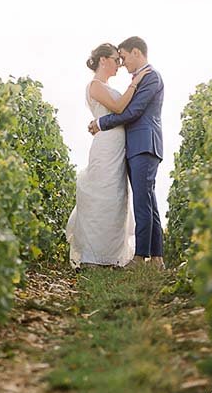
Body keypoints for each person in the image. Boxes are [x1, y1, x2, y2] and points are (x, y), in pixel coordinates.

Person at [65, 43, 150, 267]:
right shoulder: (95, 85)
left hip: (118, 147)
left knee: (116, 197)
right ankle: (93, 256)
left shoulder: (104, 85)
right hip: (105, 146)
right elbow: (119, 107)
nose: (119, 65)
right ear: (103, 60)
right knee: (101, 194)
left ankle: (111, 256)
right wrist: (135, 83)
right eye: (116, 60)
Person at [87, 36, 165, 267]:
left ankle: (141, 256)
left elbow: (133, 112)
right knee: (147, 197)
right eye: (117, 58)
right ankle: (157, 258)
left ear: (136, 53)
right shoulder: (139, 79)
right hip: (135, 145)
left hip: (144, 143)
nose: (122, 63)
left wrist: (101, 123)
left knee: (143, 198)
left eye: (123, 57)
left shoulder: (151, 77)